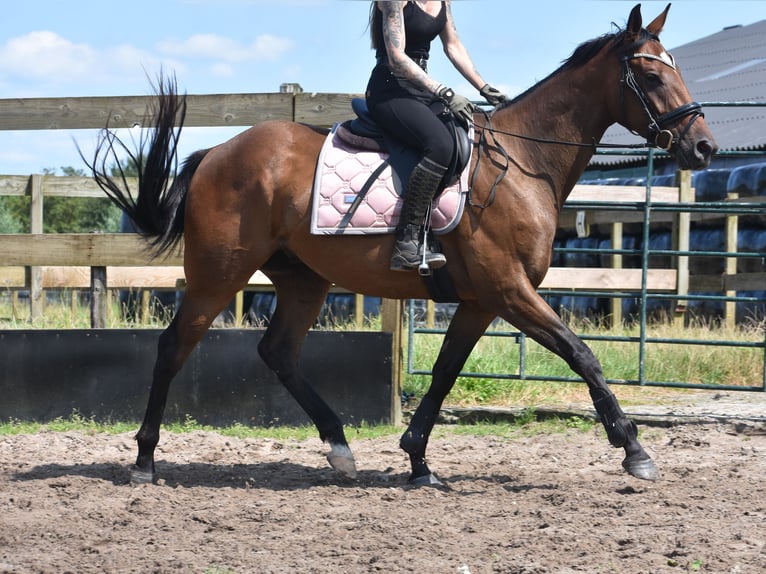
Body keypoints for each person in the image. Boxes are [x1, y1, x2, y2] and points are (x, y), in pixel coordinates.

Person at [365, 0, 507, 272]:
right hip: (389, 89)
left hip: (421, 91)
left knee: (461, 135)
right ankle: (406, 242)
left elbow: (453, 46)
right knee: (440, 145)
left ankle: (438, 233)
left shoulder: (443, 2)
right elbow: (396, 57)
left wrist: (483, 86)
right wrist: (444, 92)